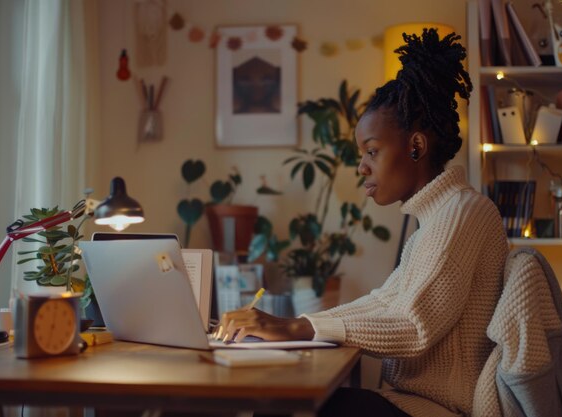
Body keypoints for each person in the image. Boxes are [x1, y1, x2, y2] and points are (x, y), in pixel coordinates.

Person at [217, 28, 509, 417]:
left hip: (433, 409)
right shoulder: (439, 217)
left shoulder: (461, 212)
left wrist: (294, 329)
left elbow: (411, 325)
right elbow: (383, 302)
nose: (362, 166)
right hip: (411, 403)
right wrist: (294, 323)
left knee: (279, 402)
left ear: (416, 146)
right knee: (280, 399)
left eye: (372, 150)